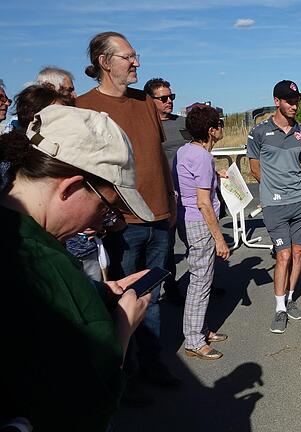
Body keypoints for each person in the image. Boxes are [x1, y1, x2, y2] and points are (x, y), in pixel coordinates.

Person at [0, 105, 154, 430]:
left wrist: (96, 291)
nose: (102, 225)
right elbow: (88, 405)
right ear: (70, 188)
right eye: (105, 208)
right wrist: (124, 326)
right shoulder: (43, 262)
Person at [76, 31, 180, 398]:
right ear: (105, 62)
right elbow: (83, 172)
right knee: (120, 303)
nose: (136, 63)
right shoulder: (83, 107)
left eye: (136, 56)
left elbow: (157, 158)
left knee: (150, 299)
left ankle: (151, 365)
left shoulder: (145, 104)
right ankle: (126, 374)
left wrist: (171, 199)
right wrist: (106, 217)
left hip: (159, 218)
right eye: (128, 57)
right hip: (120, 224)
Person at [247, 80, 301, 334]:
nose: (294, 106)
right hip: (275, 204)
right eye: (289, 101)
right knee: (282, 255)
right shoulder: (259, 132)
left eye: (296, 101)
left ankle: (290, 298)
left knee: (298, 254)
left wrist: (291, 188)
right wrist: (271, 189)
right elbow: (254, 168)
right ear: (277, 102)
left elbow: (297, 167)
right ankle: (279, 309)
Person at [174, 105, 231, 360]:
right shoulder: (203, 157)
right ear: (211, 131)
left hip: (186, 220)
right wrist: (220, 239)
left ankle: (200, 329)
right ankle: (194, 340)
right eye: (219, 124)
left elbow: (189, 182)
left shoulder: (185, 151)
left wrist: (215, 176)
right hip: (200, 223)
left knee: (201, 278)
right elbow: (203, 202)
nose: (221, 128)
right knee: (200, 282)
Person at [144, 77, 187, 303]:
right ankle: (171, 288)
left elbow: (196, 149)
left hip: (188, 193)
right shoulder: (145, 125)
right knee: (167, 245)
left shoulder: (182, 124)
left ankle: (205, 283)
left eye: (171, 97)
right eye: (163, 98)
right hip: (164, 195)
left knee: (198, 243)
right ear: (151, 101)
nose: (169, 101)